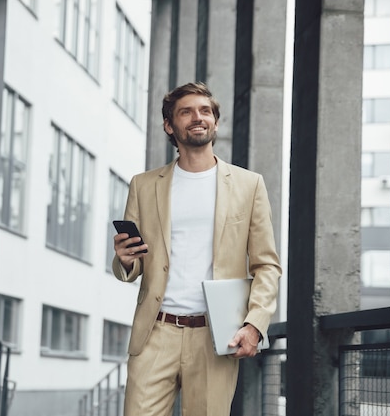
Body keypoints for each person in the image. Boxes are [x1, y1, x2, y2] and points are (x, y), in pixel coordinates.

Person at [112, 82, 281, 416]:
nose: (197, 117)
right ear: (169, 125)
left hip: (215, 335)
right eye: (185, 112)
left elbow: (267, 265)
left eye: (205, 111)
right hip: (155, 333)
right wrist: (125, 261)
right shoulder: (143, 186)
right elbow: (132, 265)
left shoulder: (249, 185)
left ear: (215, 123)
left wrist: (255, 322)